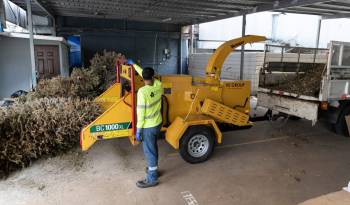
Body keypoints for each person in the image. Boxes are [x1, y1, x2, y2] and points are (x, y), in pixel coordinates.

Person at [128, 59, 163, 188]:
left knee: (149, 151)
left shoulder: (142, 92)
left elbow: (141, 113)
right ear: (153, 77)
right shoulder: (159, 85)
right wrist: (135, 65)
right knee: (153, 147)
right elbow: (145, 74)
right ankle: (154, 170)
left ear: (143, 78)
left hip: (148, 126)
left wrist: (138, 130)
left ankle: (152, 178)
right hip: (158, 123)